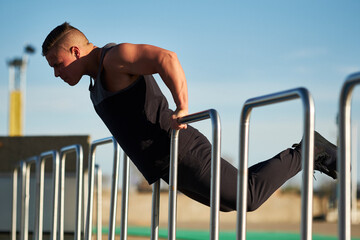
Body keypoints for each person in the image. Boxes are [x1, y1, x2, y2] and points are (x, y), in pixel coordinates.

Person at [42, 22, 337, 212]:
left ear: (76, 51)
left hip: (180, 148)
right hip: (167, 163)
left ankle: (311, 150)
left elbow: (165, 58)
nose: (57, 73)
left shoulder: (114, 57)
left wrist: (182, 106)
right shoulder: (96, 81)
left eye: (58, 64)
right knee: (230, 201)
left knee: (246, 197)